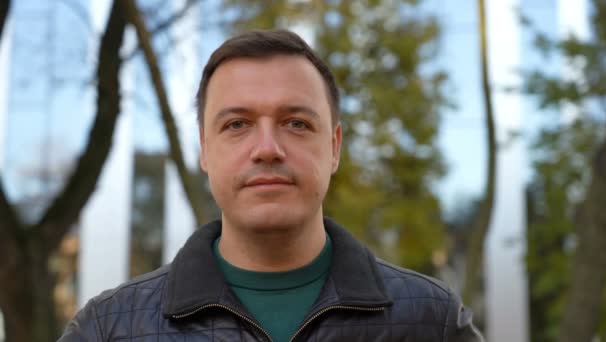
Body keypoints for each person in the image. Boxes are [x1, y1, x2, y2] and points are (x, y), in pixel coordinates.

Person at [60, 29, 483, 342]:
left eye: (296, 123)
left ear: (334, 148)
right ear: (205, 151)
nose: (267, 148)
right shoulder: (109, 329)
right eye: (237, 124)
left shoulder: (432, 320)